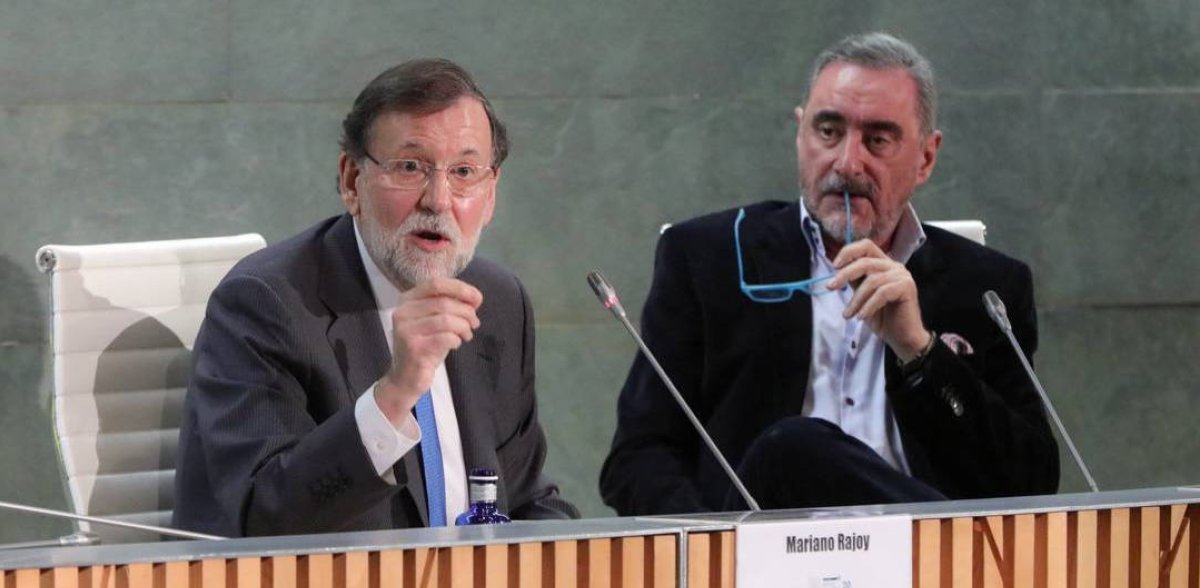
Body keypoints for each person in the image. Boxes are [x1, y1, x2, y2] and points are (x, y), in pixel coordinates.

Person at [601, 33, 1059, 516]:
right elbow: (638, 459)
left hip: (928, 578)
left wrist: (920, 352)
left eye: (877, 140)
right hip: (754, 563)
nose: (846, 162)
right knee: (791, 450)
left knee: (797, 449)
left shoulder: (987, 286)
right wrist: (713, 554)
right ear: (800, 134)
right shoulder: (707, 258)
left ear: (926, 157)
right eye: (828, 131)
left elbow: (1028, 482)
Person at [174, 59, 577, 536]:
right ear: (351, 181)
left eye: (464, 172)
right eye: (410, 167)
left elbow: (524, 496)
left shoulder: (498, 301)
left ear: (489, 196)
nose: (438, 200)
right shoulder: (266, 303)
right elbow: (262, 515)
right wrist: (396, 392)